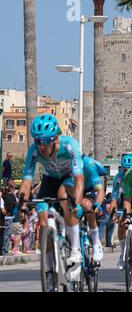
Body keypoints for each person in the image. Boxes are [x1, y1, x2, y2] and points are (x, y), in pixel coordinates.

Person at [18, 114, 85, 274]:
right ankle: (48, 268)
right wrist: (22, 205)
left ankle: (75, 249)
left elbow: (80, 179)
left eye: (44, 141)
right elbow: (27, 180)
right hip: (49, 180)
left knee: (64, 197)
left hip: (69, 178)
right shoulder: (34, 151)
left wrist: (77, 204)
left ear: (55, 138)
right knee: (42, 222)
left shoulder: (69, 145)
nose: (41, 145)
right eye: (37, 140)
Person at [65, 154, 106, 263]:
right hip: (73, 190)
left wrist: (97, 204)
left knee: (85, 204)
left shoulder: (89, 165)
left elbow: (100, 190)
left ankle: (96, 242)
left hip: (88, 188)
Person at [110, 154, 132, 270]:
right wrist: (113, 213)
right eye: (124, 169)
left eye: (128, 169)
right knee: (121, 224)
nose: (126, 172)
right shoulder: (118, 178)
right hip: (123, 201)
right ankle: (123, 253)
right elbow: (114, 197)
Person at [2, 179, 18, 255]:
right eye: (12, 185)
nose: (13, 186)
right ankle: (4, 251)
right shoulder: (4, 195)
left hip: (11, 217)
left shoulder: (12, 195)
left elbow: (15, 203)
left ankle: (5, 250)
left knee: (8, 234)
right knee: (6, 234)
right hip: (5, 217)